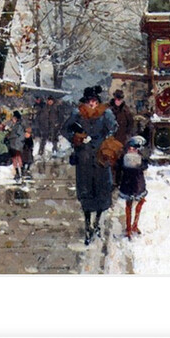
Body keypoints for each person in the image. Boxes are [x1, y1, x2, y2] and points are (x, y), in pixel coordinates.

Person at [61, 85, 118, 245]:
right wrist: (77, 137)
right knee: (85, 190)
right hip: (84, 157)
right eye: (89, 101)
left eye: (94, 101)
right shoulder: (77, 114)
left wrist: (105, 138)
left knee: (101, 189)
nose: (92, 104)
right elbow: (65, 130)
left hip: (101, 157)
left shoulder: (106, 113)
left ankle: (97, 222)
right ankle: (87, 225)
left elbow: (113, 128)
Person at [117, 135, 149, 240]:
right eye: (131, 147)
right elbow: (119, 168)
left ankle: (134, 225)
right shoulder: (126, 157)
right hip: (133, 183)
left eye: (134, 148)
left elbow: (144, 166)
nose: (132, 149)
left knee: (138, 202)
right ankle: (129, 228)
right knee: (130, 205)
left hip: (134, 183)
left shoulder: (134, 158)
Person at [109, 89, 134, 187]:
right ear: (114, 99)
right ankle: (111, 181)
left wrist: (127, 134)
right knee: (111, 161)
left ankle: (119, 182)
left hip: (122, 139)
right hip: (111, 139)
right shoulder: (109, 110)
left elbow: (131, 123)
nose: (118, 101)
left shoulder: (126, 111)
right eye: (117, 99)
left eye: (120, 99)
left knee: (120, 161)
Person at [7, 110, 30, 182]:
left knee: (17, 158)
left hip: (16, 145)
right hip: (14, 144)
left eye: (13, 118)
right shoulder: (16, 126)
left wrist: (11, 137)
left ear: (16, 119)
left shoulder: (18, 126)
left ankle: (20, 171)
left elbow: (21, 136)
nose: (12, 120)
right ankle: (18, 171)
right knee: (15, 158)